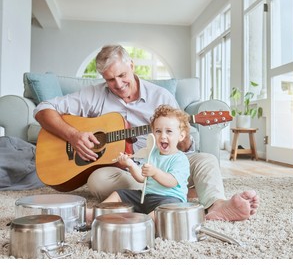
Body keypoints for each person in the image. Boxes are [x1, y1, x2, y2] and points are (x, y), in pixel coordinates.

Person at [34, 44, 259, 222]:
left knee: (206, 160)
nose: (119, 84)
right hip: (127, 170)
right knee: (98, 180)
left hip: (165, 163)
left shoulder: (160, 97)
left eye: (122, 75)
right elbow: (43, 109)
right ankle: (172, 195)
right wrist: (74, 135)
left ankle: (218, 206)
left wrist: (184, 136)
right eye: (110, 80)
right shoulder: (94, 95)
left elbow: (185, 149)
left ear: (131, 65)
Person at [87, 105, 191, 223]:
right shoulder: (152, 153)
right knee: (119, 194)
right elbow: (141, 178)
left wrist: (155, 172)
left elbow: (171, 182)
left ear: (181, 136)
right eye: (158, 131)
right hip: (146, 197)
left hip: (170, 199)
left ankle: (142, 223)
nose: (163, 136)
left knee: (164, 211)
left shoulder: (180, 159)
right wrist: (130, 164)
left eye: (169, 131)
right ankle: (96, 213)